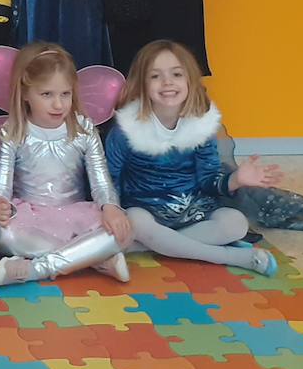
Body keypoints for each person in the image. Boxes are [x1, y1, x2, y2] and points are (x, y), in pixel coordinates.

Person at [104, 40, 278, 275]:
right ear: (142, 84)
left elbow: (209, 180)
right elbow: (109, 178)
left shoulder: (200, 127)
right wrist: (112, 210)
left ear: (189, 80)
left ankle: (153, 247)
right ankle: (230, 256)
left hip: (193, 213)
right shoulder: (125, 131)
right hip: (145, 213)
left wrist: (236, 179)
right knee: (136, 220)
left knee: (236, 223)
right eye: (155, 76)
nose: (167, 83)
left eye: (176, 74)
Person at [0, 43, 133, 286]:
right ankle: (93, 259)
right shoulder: (13, 133)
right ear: (25, 93)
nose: (58, 104)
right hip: (30, 216)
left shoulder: (84, 130)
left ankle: (35, 269)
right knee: (2, 235)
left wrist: (110, 206)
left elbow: (101, 181)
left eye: (65, 94)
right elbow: (0, 188)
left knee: (124, 230)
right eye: (47, 94)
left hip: (75, 213)